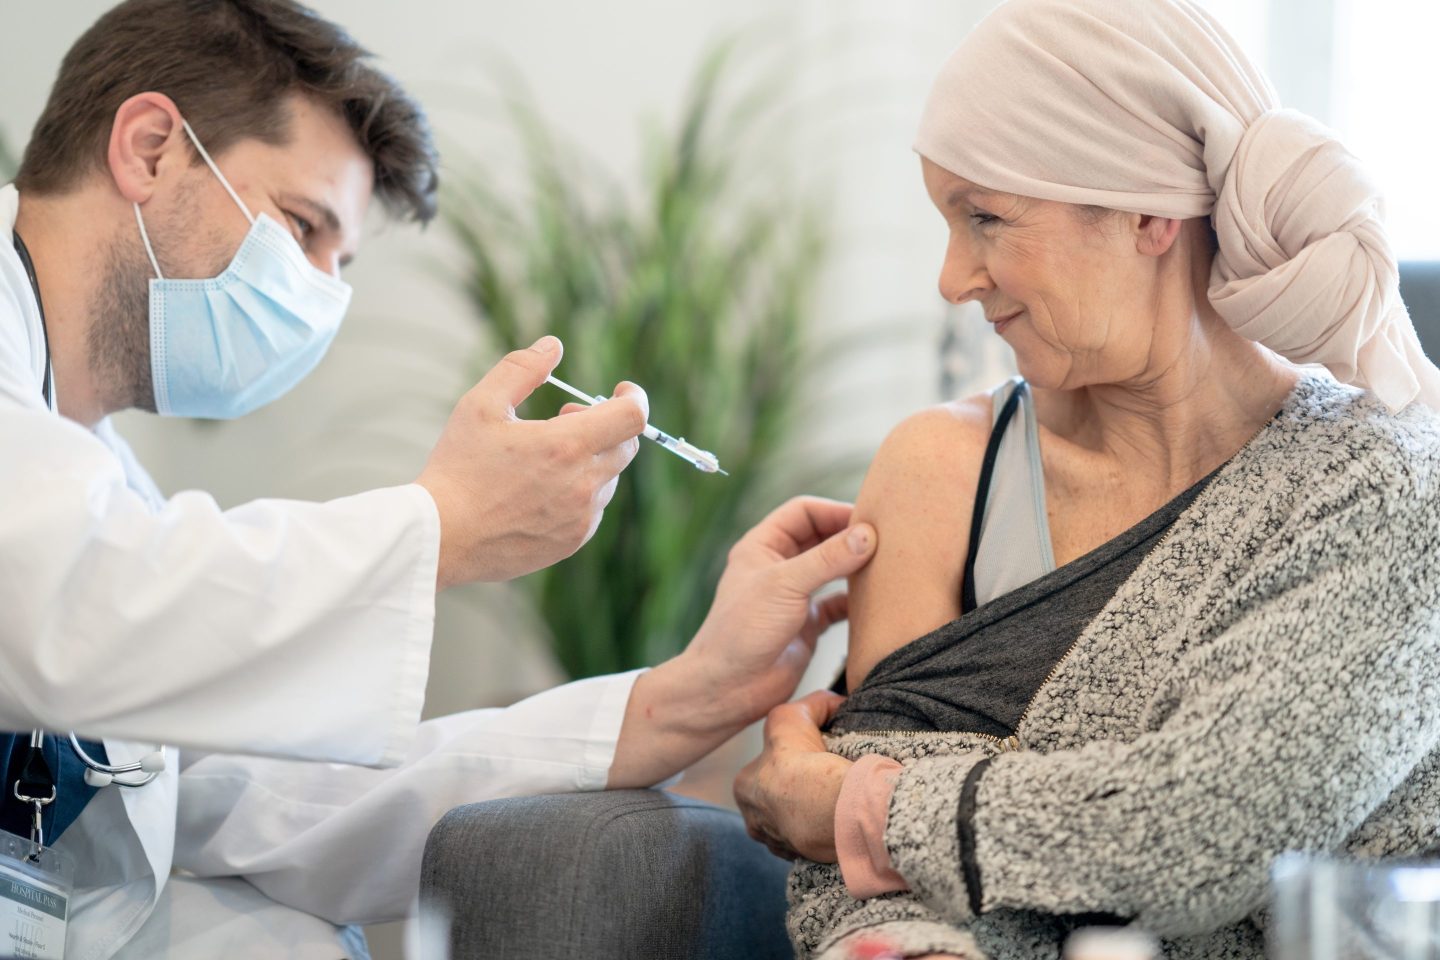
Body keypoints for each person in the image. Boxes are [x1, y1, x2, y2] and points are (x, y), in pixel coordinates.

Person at [0, 1, 877, 956]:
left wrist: (688, 696)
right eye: (301, 229)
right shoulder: (82, 522)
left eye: (341, 263)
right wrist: (442, 524)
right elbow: (60, 604)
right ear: (152, 148)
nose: (320, 297)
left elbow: (254, 796)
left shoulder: (98, 474)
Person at [732, 1, 1440, 958]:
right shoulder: (942, 470)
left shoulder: (1384, 487)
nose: (952, 278)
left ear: (1150, 213)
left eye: (986, 216)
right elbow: (850, 883)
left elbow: (1203, 836)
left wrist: (863, 804)